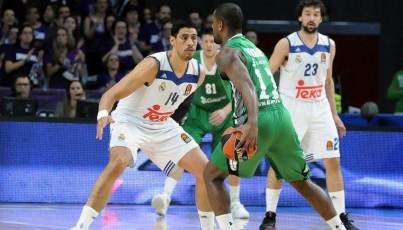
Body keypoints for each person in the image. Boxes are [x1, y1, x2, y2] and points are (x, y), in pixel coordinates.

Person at [203, 3, 347, 230]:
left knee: (212, 176)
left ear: (220, 25)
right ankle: (339, 227)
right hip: (283, 116)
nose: (212, 27)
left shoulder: (227, 53)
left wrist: (252, 122)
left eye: (213, 23)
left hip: (261, 118)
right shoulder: (253, 48)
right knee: (303, 181)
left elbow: (248, 88)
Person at [71, 20, 215, 230]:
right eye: (184, 37)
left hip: (161, 124)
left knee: (206, 172)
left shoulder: (198, 73)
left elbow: (180, 102)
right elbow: (111, 94)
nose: (190, 42)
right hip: (130, 121)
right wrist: (103, 114)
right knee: (118, 163)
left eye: (194, 38)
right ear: (172, 41)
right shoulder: (153, 65)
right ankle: (81, 227)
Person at [263, 1, 359, 229]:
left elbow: (328, 82)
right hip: (291, 107)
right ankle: (269, 216)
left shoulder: (329, 44)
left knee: (333, 161)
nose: (312, 18)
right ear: (300, 18)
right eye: (308, 14)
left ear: (321, 18)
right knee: (279, 164)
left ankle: (341, 216)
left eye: (316, 14)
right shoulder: (286, 44)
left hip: (319, 107)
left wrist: (335, 116)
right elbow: (266, 77)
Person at [151, 28, 249, 219]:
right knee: (181, 151)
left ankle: (235, 203)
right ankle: (165, 196)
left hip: (224, 114)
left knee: (232, 156)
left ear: (220, 44)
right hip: (196, 114)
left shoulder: (228, 59)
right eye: (206, 41)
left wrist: (225, 110)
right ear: (201, 43)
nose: (209, 45)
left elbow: (242, 89)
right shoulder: (193, 59)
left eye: (213, 41)